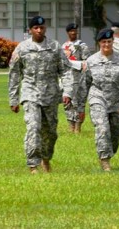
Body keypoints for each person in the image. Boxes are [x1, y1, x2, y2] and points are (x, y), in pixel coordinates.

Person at [8, 16, 83, 174]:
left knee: (50, 133)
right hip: (30, 94)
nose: (39, 30)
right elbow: (14, 74)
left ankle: (46, 159)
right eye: (36, 28)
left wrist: (68, 91)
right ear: (30, 30)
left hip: (50, 95)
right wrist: (13, 99)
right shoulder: (22, 48)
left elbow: (66, 70)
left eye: (41, 28)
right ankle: (32, 164)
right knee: (33, 127)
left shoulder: (54, 47)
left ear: (45, 29)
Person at [74, 29, 119, 172]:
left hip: (116, 102)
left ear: (113, 42)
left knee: (115, 133)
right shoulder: (91, 61)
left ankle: (108, 153)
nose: (106, 44)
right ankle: (104, 160)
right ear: (99, 43)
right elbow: (84, 85)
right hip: (97, 98)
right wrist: (80, 108)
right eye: (103, 42)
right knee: (102, 128)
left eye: (109, 41)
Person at [61, 22, 90, 133]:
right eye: (71, 31)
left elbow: (86, 61)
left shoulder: (81, 45)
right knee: (68, 102)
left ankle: (78, 127)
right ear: (68, 32)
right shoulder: (64, 46)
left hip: (80, 78)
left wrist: (74, 63)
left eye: (75, 31)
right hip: (68, 78)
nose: (73, 33)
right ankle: (70, 125)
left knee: (79, 102)